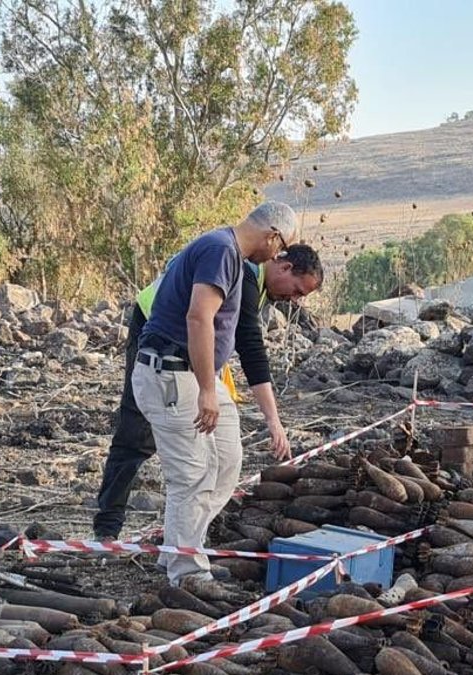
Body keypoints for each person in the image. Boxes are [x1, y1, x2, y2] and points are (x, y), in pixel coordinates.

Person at [92, 242, 323, 539]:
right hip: (156, 332)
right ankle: (108, 527)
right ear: (285, 265)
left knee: (216, 446)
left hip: (191, 350)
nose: (295, 300)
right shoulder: (247, 275)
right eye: (297, 291)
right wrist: (272, 420)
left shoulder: (262, 284)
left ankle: (187, 534)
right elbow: (250, 348)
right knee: (137, 431)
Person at [131, 202, 299, 584]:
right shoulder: (221, 250)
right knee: (191, 475)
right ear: (273, 235)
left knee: (225, 460)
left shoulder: (235, 260)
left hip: (198, 374)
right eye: (281, 247)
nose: (276, 256)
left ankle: (184, 547)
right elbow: (198, 317)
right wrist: (208, 389)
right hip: (173, 374)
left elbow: (244, 339)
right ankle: (186, 570)